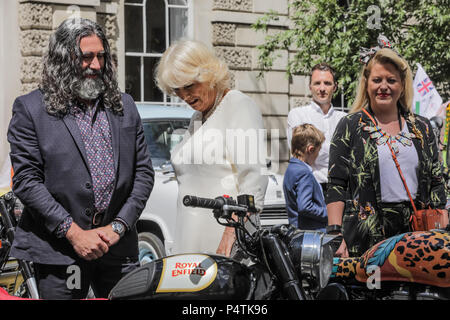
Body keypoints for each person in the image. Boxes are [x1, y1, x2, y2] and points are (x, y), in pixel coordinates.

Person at [7, 18, 155, 299]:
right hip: (59, 251)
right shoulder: (31, 109)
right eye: (86, 57)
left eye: (101, 57)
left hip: (117, 247)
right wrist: (73, 233)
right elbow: (27, 181)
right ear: (62, 59)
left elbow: (144, 174)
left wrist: (119, 226)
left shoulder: (124, 106)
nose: (97, 66)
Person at [326, 37, 448, 258]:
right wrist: (335, 232)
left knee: (416, 292)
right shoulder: (350, 125)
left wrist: (442, 227)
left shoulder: (422, 127)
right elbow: (336, 184)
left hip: (419, 235)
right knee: (372, 290)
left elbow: (437, 180)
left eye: (391, 80)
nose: (384, 87)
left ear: (402, 85)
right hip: (365, 235)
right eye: (377, 80)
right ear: (367, 83)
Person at [155, 39, 268, 257]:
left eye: (189, 86)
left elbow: (253, 178)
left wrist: (231, 236)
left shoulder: (237, 104)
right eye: (177, 90)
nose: (184, 96)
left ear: (208, 75)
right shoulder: (198, 117)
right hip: (190, 240)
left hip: (224, 241)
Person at [287, 63, 346, 193]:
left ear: (335, 87)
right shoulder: (297, 115)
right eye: (317, 83)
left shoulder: (344, 119)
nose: (322, 88)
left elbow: (349, 157)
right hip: (308, 187)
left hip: (341, 189)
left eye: (327, 83)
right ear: (310, 87)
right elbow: (300, 155)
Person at [283, 124, 328, 232]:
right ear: (310, 149)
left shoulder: (292, 168)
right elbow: (305, 206)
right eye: (318, 150)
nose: (318, 155)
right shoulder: (303, 172)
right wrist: (329, 214)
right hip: (311, 234)